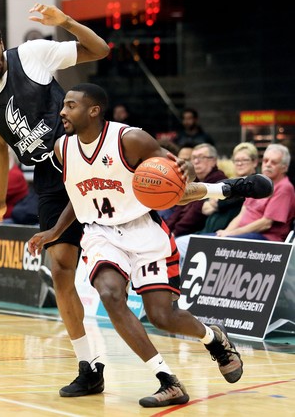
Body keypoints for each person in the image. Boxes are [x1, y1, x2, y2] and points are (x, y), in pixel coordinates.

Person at [27, 83, 273, 407]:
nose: (62, 111)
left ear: (93, 110)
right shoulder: (63, 148)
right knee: (110, 293)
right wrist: (55, 230)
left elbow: (172, 186)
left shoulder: (129, 139)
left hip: (144, 230)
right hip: (101, 232)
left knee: (162, 316)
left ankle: (213, 337)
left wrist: (193, 176)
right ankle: (167, 380)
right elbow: (79, 195)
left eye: (70, 105)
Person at [0, 3, 110, 397]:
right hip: (47, 177)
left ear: (2, 44)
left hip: (85, 156)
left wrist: (64, 22)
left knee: (112, 267)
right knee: (60, 266)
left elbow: (99, 49)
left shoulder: (31, 55)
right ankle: (88, 365)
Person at [176, 142, 259, 265]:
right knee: (178, 243)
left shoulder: (256, 185)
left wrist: (218, 203)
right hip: (211, 232)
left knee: (178, 244)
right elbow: (203, 207)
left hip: (229, 234)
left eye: (244, 160)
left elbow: (226, 202)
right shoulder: (229, 181)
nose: (239, 163)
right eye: (236, 160)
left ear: (255, 162)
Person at [212, 143, 295, 241]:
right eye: (265, 160)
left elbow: (266, 224)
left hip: (264, 239)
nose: (268, 164)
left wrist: (231, 234)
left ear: (284, 168)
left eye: (274, 162)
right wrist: (224, 233)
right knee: (204, 240)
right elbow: (242, 214)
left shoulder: (284, 187)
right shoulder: (258, 182)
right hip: (241, 234)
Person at [165, 143, 227, 237]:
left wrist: (174, 233)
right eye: (193, 158)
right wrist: (166, 230)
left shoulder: (219, 179)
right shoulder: (194, 180)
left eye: (202, 157)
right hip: (179, 232)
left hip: (198, 233)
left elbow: (194, 215)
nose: (196, 161)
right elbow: (179, 209)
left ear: (213, 161)